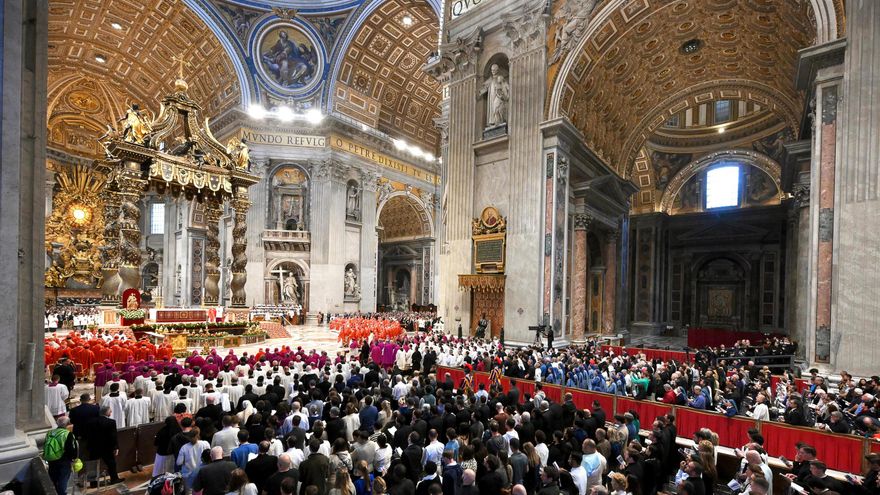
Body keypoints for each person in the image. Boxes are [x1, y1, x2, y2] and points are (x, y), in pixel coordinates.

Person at [85, 406, 124, 485]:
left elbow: (88, 435)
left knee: (93, 465)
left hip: (94, 447)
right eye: (110, 411)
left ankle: (93, 483)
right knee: (111, 464)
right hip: (107, 447)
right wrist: (116, 447)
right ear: (106, 412)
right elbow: (113, 436)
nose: (111, 413)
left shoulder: (90, 422)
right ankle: (114, 479)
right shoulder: (111, 422)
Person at [44, 416, 78, 495]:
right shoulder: (67, 434)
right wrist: (73, 459)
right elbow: (71, 449)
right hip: (63, 460)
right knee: (63, 479)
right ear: (67, 424)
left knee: (54, 479)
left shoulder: (50, 432)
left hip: (51, 459)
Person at [177, 427, 210, 491]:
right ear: (198, 435)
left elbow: (179, 462)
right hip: (202, 473)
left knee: (189, 492)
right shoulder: (205, 444)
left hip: (187, 475)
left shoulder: (184, 447)